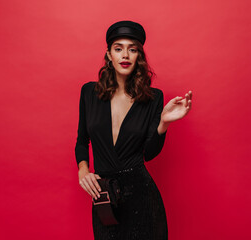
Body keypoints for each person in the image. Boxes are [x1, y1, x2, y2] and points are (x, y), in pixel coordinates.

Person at [75, 20, 192, 240]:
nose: (125, 55)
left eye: (132, 49)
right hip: (105, 197)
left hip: (142, 198)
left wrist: (163, 123)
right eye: (118, 48)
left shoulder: (153, 98)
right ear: (109, 55)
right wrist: (83, 170)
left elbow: (149, 153)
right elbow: (82, 140)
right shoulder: (89, 92)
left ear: (139, 56)